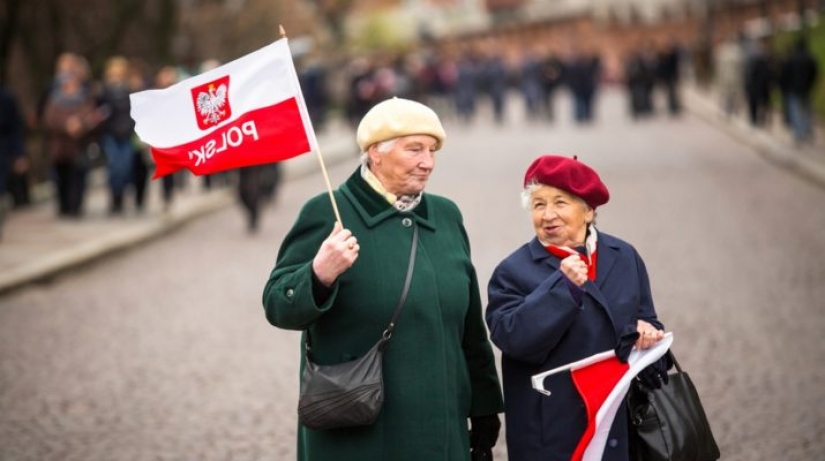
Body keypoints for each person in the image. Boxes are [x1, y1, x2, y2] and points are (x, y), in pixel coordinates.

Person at [262, 97, 504, 461]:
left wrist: (484, 406)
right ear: (376, 153)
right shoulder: (327, 211)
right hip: (358, 433)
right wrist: (318, 274)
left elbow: (469, 327)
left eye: (432, 150)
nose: (427, 162)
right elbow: (278, 304)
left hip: (442, 428)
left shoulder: (446, 215)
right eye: (414, 150)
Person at [485, 155, 669, 461]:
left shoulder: (623, 256)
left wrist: (649, 335)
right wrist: (563, 287)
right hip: (551, 433)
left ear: (588, 211)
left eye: (560, 202)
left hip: (617, 427)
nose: (548, 214)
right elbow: (513, 339)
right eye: (538, 204)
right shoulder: (512, 271)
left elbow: (647, 322)